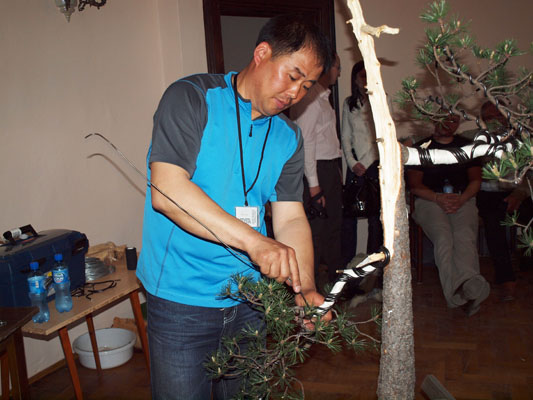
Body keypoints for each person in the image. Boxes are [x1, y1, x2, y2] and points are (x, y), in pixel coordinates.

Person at [136, 16, 333, 400]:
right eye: (292, 76)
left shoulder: (289, 137)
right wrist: (256, 243)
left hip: (250, 301)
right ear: (262, 54)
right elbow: (167, 190)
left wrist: (306, 286)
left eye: (307, 86)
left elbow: (291, 218)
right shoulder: (192, 98)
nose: (295, 93)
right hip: (182, 301)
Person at [406, 114, 490, 316]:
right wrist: (438, 198)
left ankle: (467, 288)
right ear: (435, 120)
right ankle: (457, 294)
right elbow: (415, 186)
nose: (448, 124)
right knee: (444, 237)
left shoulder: (468, 146)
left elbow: (475, 181)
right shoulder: (422, 148)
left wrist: (462, 199)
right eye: (444, 119)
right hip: (429, 200)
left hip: (463, 198)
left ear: (458, 123)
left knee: (464, 235)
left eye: (453, 120)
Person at [289, 52, 343, 285]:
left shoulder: (322, 97)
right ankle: (313, 289)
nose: (339, 72)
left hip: (328, 169)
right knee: (318, 233)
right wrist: (314, 186)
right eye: (337, 67)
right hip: (318, 172)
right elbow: (306, 143)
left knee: (333, 229)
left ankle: (333, 284)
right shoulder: (311, 99)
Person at [472, 102, 532, 300]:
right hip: (486, 194)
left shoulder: (521, 140)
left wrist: (519, 195)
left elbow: (529, 175)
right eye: (490, 117)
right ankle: (506, 279)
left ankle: (527, 265)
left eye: (500, 115)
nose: (496, 120)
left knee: (528, 213)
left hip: (517, 191)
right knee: (493, 221)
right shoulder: (476, 138)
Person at [340, 61, 386, 264]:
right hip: (355, 166)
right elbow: (345, 137)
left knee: (375, 218)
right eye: (362, 76)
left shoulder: (383, 100)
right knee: (349, 217)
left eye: (369, 75)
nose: (366, 81)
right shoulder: (349, 104)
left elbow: (383, 135)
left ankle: (372, 264)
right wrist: (352, 163)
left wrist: (366, 163)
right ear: (355, 79)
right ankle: (348, 265)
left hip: (376, 164)